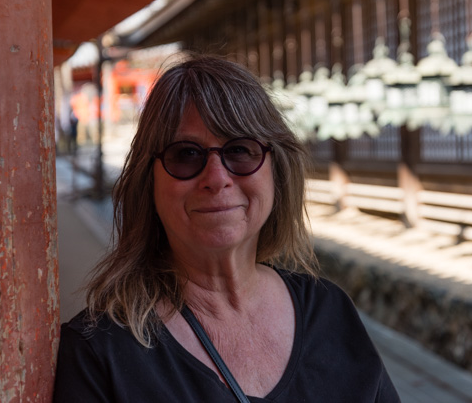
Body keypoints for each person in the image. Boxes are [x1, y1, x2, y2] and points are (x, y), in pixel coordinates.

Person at [54, 54, 400, 402]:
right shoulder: (99, 355)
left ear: (276, 171)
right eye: (186, 154)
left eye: (240, 150)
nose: (217, 179)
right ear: (149, 181)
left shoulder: (328, 309)